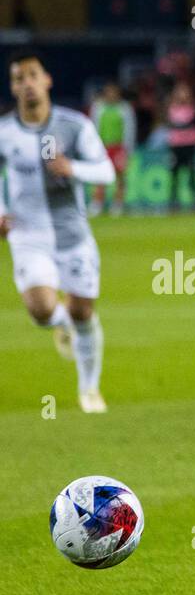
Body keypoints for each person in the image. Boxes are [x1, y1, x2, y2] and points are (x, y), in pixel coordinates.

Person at [0, 50, 115, 413]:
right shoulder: (5, 133)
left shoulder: (74, 125)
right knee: (41, 310)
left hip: (72, 234)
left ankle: (89, 391)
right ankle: (61, 323)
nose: (27, 84)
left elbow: (106, 172)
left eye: (32, 75)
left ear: (47, 80)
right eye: (19, 78)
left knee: (83, 312)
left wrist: (72, 169)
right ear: (13, 87)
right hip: (28, 235)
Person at [89, 82, 134, 216]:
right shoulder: (98, 108)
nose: (111, 95)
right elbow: (93, 128)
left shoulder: (124, 108)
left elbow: (130, 130)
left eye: (113, 92)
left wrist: (127, 150)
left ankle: (118, 205)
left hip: (119, 147)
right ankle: (97, 204)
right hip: (102, 147)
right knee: (100, 176)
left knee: (120, 177)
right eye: (108, 92)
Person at [165, 83, 195, 211]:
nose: (182, 95)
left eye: (184, 92)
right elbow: (172, 127)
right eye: (179, 92)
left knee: (192, 174)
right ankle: (174, 201)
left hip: (190, 147)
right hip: (176, 147)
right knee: (174, 175)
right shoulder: (171, 110)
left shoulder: (194, 110)